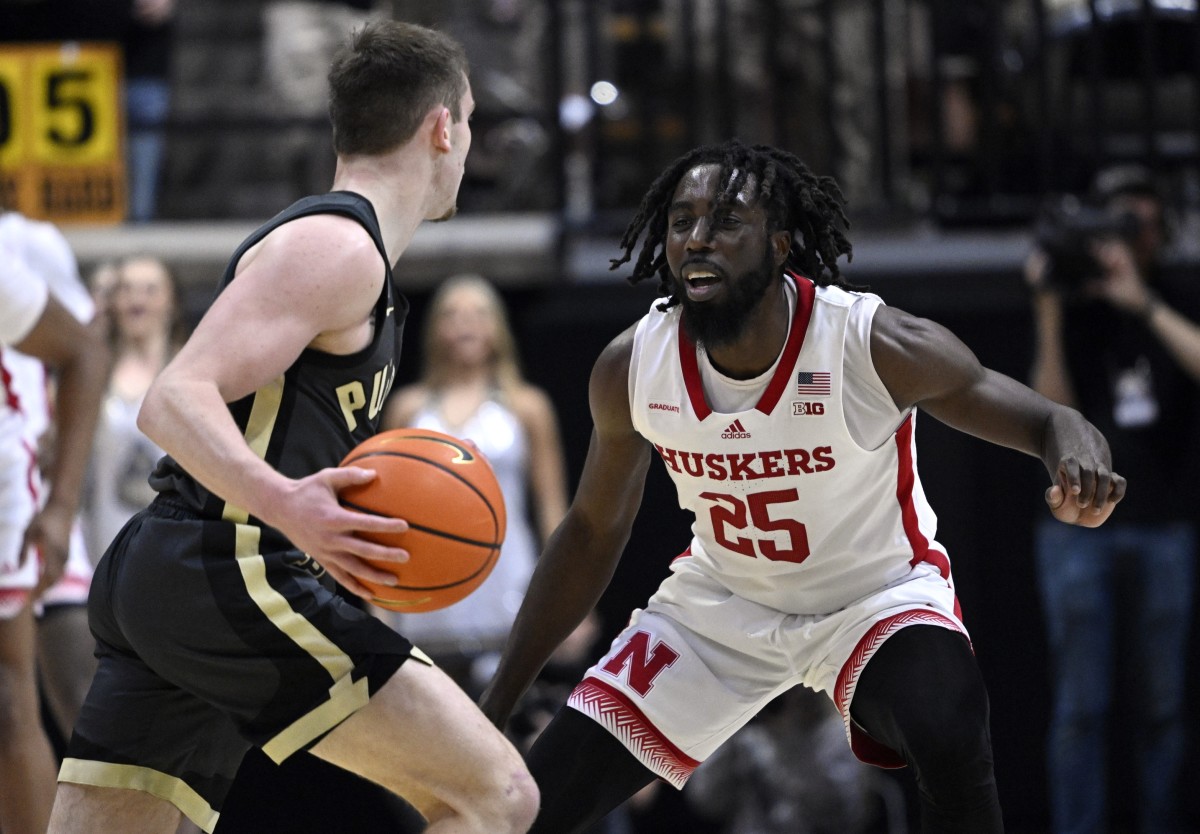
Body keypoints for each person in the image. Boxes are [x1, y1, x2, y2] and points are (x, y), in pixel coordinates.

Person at [479, 139, 1127, 834]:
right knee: (529, 803)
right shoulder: (632, 366)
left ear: (780, 243)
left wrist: (1072, 444)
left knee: (947, 724)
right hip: (721, 606)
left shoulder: (866, 342)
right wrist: (493, 706)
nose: (698, 238)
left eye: (726, 221)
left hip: (872, 597)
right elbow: (590, 531)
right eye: (681, 220)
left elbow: (1040, 418)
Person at [49, 20, 538, 834]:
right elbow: (172, 398)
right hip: (230, 565)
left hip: (179, 573)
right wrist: (289, 504)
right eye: (472, 120)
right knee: (494, 796)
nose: (469, 142)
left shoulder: (350, 252)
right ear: (441, 126)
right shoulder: (337, 248)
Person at [1025, 164, 1200, 833]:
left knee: (1162, 705)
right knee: (1081, 708)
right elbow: (1048, 413)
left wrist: (1143, 304)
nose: (1133, 235)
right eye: (1120, 221)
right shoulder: (1071, 309)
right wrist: (1046, 308)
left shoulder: (1175, 295)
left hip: (1166, 525)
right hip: (1078, 530)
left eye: (1146, 222)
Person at [381, 273, 569, 694]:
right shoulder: (408, 407)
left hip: (508, 585)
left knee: (507, 727)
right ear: (435, 330)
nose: (465, 323)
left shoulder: (528, 406)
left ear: (497, 327)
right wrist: (379, 604)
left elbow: (553, 513)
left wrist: (567, 605)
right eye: (452, 314)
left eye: (478, 313)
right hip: (428, 594)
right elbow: (383, 513)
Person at [0, 213, 109, 834]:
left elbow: (81, 343)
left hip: (21, 482)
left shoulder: (25, 241)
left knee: (75, 699)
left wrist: (60, 495)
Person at [82, 255, 181, 565]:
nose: (137, 299)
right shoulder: (91, 374)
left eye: (150, 289)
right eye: (126, 289)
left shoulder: (190, 372)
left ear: (172, 301)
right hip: (100, 538)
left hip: (173, 543)